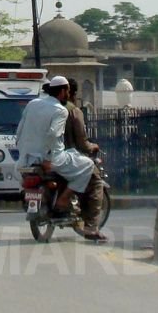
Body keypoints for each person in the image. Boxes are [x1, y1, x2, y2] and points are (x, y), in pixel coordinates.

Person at [15, 76, 102, 240]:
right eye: (67, 91)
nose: (68, 94)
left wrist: (23, 150)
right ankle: (64, 198)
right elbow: (54, 135)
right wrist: (48, 158)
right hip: (53, 158)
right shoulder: (61, 110)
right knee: (88, 166)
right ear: (63, 91)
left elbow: (20, 130)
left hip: (27, 158)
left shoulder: (33, 104)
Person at [63, 79, 104, 235]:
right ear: (71, 93)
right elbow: (82, 142)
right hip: (68, 158)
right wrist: (92, 147)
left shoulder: (44, 108)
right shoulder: (73, 111)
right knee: (96, 181)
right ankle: (91, 227)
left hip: (44, 157)